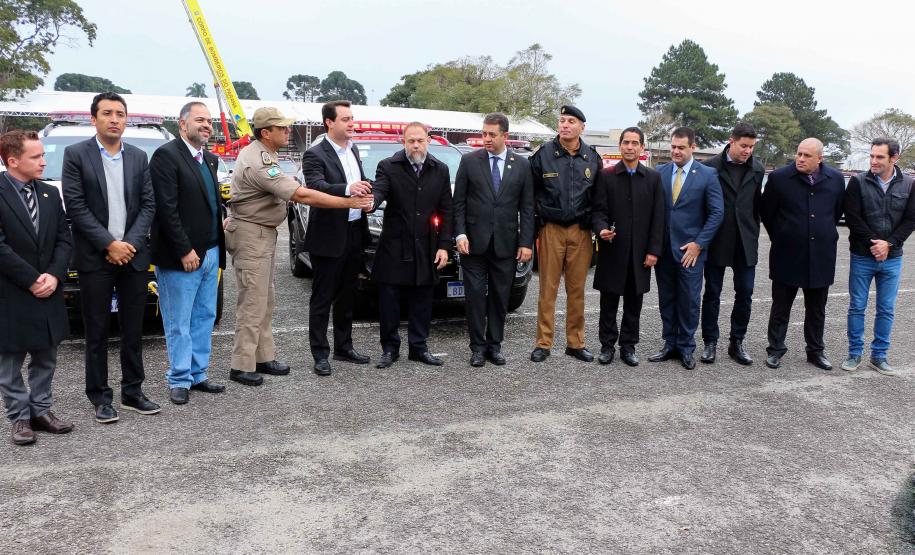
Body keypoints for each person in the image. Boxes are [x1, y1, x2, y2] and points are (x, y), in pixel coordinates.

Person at [225, 107, 372, 385]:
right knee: (253, 302)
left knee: (264, 300)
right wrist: (348, 201)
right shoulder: (259, 159)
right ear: (265, 132)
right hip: (251, 234)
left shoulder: (266, 154)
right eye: (281, 128)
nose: (287, 132)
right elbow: (302, 193)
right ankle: (241, 365)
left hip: (263, 233)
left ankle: (262, 357)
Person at [61, 92, 159, 423]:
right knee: (97, 331)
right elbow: (75, 205)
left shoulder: (137, 156)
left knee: (134, 329)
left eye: (120, 113)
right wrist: (108, 244)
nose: (114, 119)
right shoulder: (76, 155)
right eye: (107, 113)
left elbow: (148, 204)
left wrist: (128, 243)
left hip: (132, 256)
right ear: (94, 119)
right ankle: (100, 396)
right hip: (95, 257)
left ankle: (133, 391)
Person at [149, 101, 227, 405]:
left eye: (209, 121)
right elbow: (166, 210)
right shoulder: (166, 157)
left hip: (209, 254)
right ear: (182, 124)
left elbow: (208, 202)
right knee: (178, 321)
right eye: (200, 120)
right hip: (182, 258)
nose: (207, 125)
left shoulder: (209, 159)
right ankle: (179, 378)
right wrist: (184, 250)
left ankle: (198, 374)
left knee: (204, 316)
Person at [0, 130, 73, 445]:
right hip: (12, 292)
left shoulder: (49, 193)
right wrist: (32, 279)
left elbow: (63, 238)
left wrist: (54, 275)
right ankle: (19, 418)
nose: (44, 162)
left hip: (48, 289)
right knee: (10, 362)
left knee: (46, 356)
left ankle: (42, 410)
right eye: (37, 156)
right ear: (13, 160)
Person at [453, 113, 533, 367]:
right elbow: (459, 203)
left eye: (491, 134)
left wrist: (526, 242)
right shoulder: (469, 161)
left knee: (500, 297)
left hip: (506, 244)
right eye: (484, 133)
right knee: (475, 296)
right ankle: (477, 348)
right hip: (474, 244)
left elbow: (527, 207)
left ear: (505, 136)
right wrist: (460, 233)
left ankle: (494, 345)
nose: (486, 139)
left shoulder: (522, 165)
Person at [370, 122, 453, 368]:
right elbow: (379, 192)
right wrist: (369, 202)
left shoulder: (440, 169)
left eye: (420, 140)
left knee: (422, 300)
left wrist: (444, 246)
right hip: (394, 245)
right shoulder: (388, 166)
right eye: (410, 141)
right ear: (402, 141)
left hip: (427, 245)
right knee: (389, 302)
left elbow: (446, 211)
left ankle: (419, 347)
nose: (415, 145)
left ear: (428, 140)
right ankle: (389, 349)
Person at [301, 100, 373, 376]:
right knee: (322, 297)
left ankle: (345, 347)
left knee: (347, 295)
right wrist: (347, 188)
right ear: (329, 123)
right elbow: (316, 186)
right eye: (345, 119)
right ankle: (320, 354)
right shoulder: (315, 154)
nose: (352, 123)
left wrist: (369, 198)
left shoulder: (353, 149)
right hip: (329, 236)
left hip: (355, 232)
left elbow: (362, 183)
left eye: (352, 118)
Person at [760, 138, 845, 371]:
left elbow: (835, 212)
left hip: (821, 255)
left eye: (807, 156)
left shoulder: (836, 180)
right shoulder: (779, 179)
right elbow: (767, 213)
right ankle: (775, 349)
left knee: (817, 308)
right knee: (780, 306)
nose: (800, 159)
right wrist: (783, 235)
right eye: (799, 154)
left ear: (820, 158)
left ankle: (815, 351)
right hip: (787, 253)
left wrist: (823, 231)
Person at [529, 105, 602, 363]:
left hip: (581, 232)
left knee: (576, 290)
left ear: (582, 127)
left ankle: (575, 343)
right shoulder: (544, 155)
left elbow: (597, 199)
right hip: (551, 230)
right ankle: (543, 343)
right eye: (561, 121)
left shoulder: (592, 158)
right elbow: (532, 195)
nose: (565, 125)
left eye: (571, 121)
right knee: (547, 289)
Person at [649, 127, 723, 370]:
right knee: (666, 299)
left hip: (690, 252)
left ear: (693, 147)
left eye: (681, 147)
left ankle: (686, 347)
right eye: (673, 147)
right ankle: (669, 344)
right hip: (664, 251)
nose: (676, 151)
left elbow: (716, 213)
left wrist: (699, 244)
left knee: (690, 301)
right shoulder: (660, 172)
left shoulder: (707, 174)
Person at [841, 138, 915, 376]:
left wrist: (890, 243)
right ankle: (854, 354)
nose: (873, 161)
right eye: (872, 156)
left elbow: (911, 219)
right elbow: (852, 218)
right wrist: (875, 243)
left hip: (892, 258)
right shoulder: (858, 182)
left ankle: (879, 356)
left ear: (894, 158)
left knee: (886, 309)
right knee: (857, 306)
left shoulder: (910, 185)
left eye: (879, 157)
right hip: (863, 255)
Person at [591, 127, 664, 366]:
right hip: (613, 250)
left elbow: (658, 218)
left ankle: (629, 346)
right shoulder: (607, 176)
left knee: (634, 303)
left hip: (640, 254)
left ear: (642, 147)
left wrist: (654, 251)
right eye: (626, 143)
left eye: (635, 143)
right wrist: (601, 229)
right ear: (620, 146)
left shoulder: (653, 178)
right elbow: (598, 210)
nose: (630, 147)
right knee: (608, 302)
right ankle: (607, 346)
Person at [699, 123, 766, 366]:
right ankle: (710, 342)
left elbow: (757, 207)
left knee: (745, 294)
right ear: (731, 141)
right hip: (717, 240)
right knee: (713, 293)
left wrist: (754, 230)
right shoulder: (709, 168)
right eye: (743, 146)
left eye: (751, 146)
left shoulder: (757, 170)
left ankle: (736, 342)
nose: (747, 151)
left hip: (746, 242)